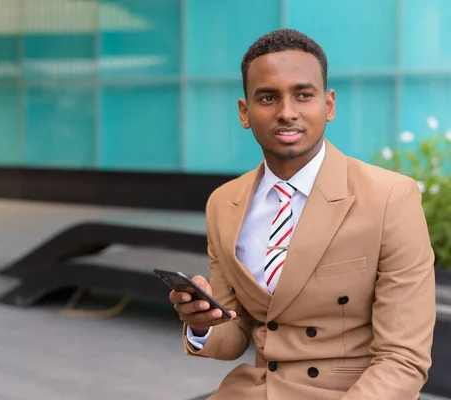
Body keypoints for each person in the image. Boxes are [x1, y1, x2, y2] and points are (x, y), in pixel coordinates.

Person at [169, 29, 436, 400]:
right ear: (245, 112)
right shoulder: (223, 203)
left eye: (303, 95)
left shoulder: (390, 197)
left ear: (328, 105)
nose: (286, 112)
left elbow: (402, 359)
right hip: (255, 390)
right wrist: (202, 325)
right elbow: (235, 335)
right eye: (267, 97)